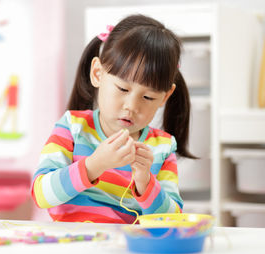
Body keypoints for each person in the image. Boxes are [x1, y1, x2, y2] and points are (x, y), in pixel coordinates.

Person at [31, 14, 196, 224]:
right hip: (72, 244)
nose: (132, 106)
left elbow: (172, 219)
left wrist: (145, 182)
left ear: (165, 97)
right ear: (98, 74)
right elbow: (41, 194)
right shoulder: (72, 127)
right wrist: (94, 165)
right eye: (122, 88)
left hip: (128, 248)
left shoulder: (161, 147)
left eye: (148, 97)